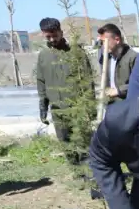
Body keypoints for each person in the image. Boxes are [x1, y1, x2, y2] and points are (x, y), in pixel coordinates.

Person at [35, 17, 95, 155]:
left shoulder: (76, 53)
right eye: (48, 37)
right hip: (57, 109)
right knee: (65, 143)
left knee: (83, 143)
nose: (52, 40)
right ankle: (74, 166)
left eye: (55, 36)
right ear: (43, 34)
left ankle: (87, 166)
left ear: (61, 32)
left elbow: (87, 80)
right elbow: (41, 81)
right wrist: (43, 106)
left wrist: (90, 107)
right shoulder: (43, 55)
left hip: (77, 108)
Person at [98, 23, 138, 105]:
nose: (103, 45)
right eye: (102, 42)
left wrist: (118, 90)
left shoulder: (133, 57)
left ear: (117, 40)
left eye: (105, 41)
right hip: (110, 103)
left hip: (127, 104)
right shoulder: (106, 58)